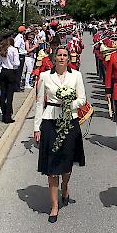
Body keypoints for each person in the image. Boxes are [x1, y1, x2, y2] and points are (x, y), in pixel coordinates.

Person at [33, 47, 86, 223]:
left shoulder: (76, 75)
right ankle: (54, 205)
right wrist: (36, 127)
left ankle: (65, 185)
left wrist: (69, 102)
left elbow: (82, 99)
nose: (62, 58)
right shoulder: (44, 77)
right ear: (54, 58)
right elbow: (40, 102)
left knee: (67, 162)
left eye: (65, 55)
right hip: (50, 121)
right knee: (51, 165)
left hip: (69, 121)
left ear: (69, 59)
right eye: (59, 55)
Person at [0, 37, 20, 124]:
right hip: (11, 71)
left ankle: (3, 114)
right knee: (10, 95)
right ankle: (8, 116)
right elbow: (16, 63)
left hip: (3, 71)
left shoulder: (1, 49)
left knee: (3, 94)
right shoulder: (13, 50)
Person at [14, 26, 27, 91]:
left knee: (19, 71)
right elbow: (16, 46)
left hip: (21, 55)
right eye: (24, 30)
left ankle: (17, 86)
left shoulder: (20, 37)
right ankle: (17, 87)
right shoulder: (19, 38)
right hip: (20, 56)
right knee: (18, 72)